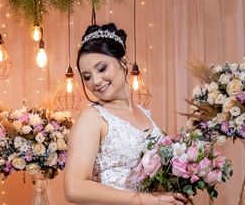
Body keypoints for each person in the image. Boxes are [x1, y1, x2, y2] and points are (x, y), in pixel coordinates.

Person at [63, 23, 188, 205]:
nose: (96, 82)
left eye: (102, 68)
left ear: (122, 63)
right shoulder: (92, 117)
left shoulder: (145, 114)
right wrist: (145, 200)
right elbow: (74, 188)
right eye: (87, 77)